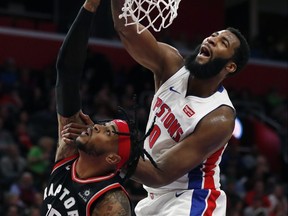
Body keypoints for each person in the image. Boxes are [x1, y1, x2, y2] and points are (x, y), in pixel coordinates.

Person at [109, 0, 251, 215]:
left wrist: (110, 150)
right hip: (155, 197)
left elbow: (160, 174)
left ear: (230, 66)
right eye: (213, 34)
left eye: (223, 42)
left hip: (193, 198)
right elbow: (127, 29)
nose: (212, 39)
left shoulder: (219, 117)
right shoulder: (171, 65)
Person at [40, 1, 156, 215]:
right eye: (104, 125)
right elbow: (67, 73)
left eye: (108, 131)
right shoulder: (68, 155)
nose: (97, 126)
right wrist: (89, 7)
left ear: (112, 159)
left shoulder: (111, 200)